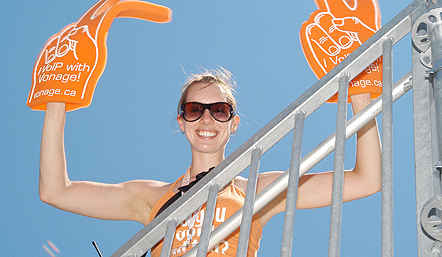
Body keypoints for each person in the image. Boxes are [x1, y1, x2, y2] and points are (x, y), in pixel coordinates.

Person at [39, 68, 382, 256]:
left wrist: (360, 92)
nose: (206, 120)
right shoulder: (149, 197)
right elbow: (56, 191)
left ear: (233, 123)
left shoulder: (258, 191)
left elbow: (365, 180)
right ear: (181, 121)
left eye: (218, 110)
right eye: (194, 110)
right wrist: (56, 98)